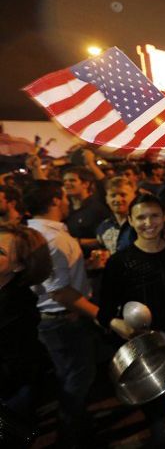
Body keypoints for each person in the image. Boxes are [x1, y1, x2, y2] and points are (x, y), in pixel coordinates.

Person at [97, 193, 165, 447]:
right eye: (141, 217)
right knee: (161, 419)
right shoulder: (119, 263)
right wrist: (117, 323)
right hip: (145, 353)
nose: (148, 222)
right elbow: (105, 310)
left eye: (154, 215)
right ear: (130, 221)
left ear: (164, 218)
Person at [24, 180, 100, 447]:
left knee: (69, 377)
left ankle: (78, 428)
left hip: (52, 320)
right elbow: (59, 292)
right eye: (64, 196)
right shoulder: (52, 239)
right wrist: (99, 315)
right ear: (56, 200)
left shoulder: (33, 231)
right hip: (64, 321)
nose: (68, 201)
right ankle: (72, 438)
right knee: (76, 381)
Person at [0, 223, 52, 426]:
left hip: (10, 393)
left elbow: (13, 367)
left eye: (0, 252)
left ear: (19, 266)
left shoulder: (16, 306)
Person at [62, 166, 108, 255]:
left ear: (85, 184)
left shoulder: (97, 208)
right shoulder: (65, 207)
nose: (67, 183)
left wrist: (77, 241)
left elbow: (105, 239)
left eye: (72, 180)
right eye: (65, 181)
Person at [97, 177, 136, 254]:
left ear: (134, 197)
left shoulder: (141, 224)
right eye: (113, 195)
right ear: (106, 199)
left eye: (123, 195)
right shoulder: (103, 227)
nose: (117, 199)